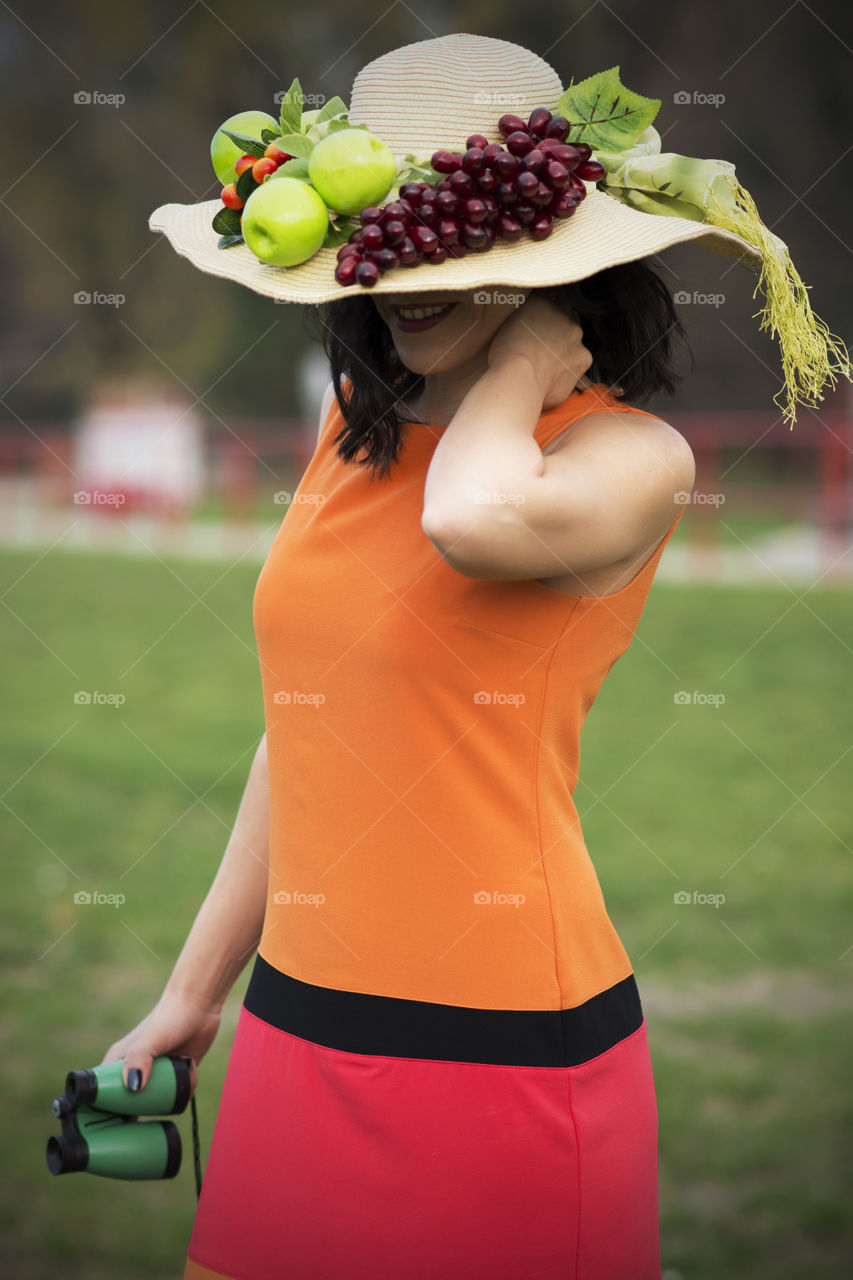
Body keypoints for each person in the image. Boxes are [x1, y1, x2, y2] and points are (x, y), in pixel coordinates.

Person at [107, 32, 850, 1280]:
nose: (410, 280)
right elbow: (309, 723)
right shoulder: (352, 432)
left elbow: (468, 521)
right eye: (392, 241)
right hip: (294, 1029)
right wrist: (196, 992)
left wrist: (522, 366)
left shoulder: (630, 457)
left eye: (456, 244)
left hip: (504, 1052)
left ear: (550, 259)